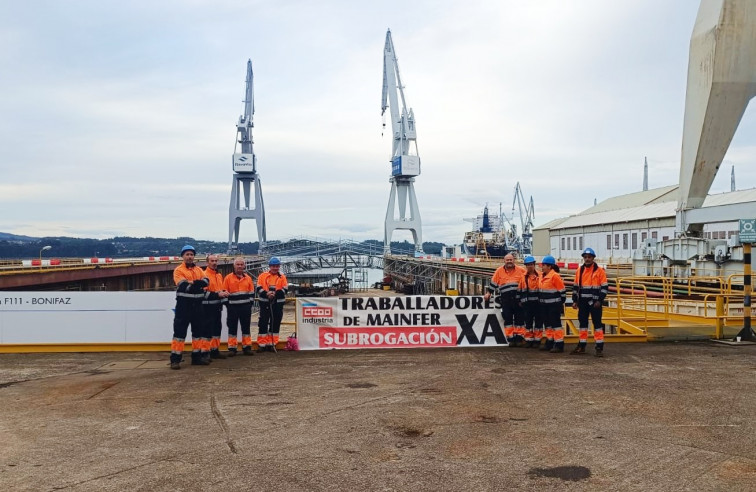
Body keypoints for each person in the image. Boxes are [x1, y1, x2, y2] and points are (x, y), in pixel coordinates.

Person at [170, 244, 210, 369]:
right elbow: (183, 286)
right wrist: (198, 284)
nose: (189, 257)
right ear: (182, 256)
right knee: (179, 334)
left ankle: (196, 358)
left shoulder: (198, 270)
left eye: (191, 254)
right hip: (184, 307)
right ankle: (175, 360)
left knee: (197, 333)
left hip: (198, 307)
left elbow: (206, 282)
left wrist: (193, 283)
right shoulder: (178, 270)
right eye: (187, 254)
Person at [571, 247, 609, 357]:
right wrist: (575, 300)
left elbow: (604, 287)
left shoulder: (600, 271)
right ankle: (582, 345)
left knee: (597, 325)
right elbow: (576, 287)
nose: (587, 259)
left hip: (595, 303)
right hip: (582, 302)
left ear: (593, 258)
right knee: (582, 324)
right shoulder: (580, 270)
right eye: (585, 257)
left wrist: (599, 300)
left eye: (589, 257)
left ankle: (599, 347)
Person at [484, 253, 526, 346]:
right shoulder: (499, 271)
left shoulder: (521, 270)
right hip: (506, 299)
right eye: (507, 260)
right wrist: (488, 293)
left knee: (520, 319)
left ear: (514, 260)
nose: (509, 261)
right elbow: (493, 283)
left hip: (518, 299)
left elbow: (528, 281)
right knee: (508, 319)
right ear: (504, 261)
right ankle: (510, 339)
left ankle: (519, 338)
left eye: (511, 259)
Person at [223, 257, 255, 356]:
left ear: (244, 266)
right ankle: (232, 348)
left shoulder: (248, 278)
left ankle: (247, 347)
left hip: (245, 307)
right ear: (234, 266)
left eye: (241, 264)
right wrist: (228, 305)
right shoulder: (228, 278)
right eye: (238, 264)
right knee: (232, 328)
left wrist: (249, 304)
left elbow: (252, 293)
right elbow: (224, 292)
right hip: (233, 308)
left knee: (246, 328)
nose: (240, 266)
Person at [256, 257, 288, 352]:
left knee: (275, 324)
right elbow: (259, 288)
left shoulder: (283, 277)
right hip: (265, 304)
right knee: (263, 323)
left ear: (279, 267)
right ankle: (262, 344)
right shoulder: (262, 276)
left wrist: (275, 294)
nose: (275, 268)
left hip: (277, 304)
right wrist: (267, 294)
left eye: (277, 266)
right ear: (270, 266)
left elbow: (285, 289)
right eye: (273, 266)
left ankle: (272, 343)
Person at [203, 254, 229, 360]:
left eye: (216, 261)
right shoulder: (204, 275)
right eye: (212, 261)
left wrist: (224, 292)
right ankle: (205, 352)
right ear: (207, 263)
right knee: (207, 331)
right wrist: (218, 294)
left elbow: (219, 289)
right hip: (207, 308)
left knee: (217, 329)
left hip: (217, 307)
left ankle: (215, 350)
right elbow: (203, 293)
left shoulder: (218, 275)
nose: (214, 263)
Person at [539, 255, 566, 353]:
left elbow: (562, 291)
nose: (542, 267)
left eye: (544, 265)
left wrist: (559, 303)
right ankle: (550, 341)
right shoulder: (542, 276)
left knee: (556, 325)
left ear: (549, 266)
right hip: (544, 306)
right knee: (548, 325)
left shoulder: (555, 276)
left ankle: (559, 344)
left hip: (553, 306)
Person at [517, 255, 543, 348]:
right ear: (525, 266)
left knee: (538, 323)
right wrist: (519, 300)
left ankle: (537, 340)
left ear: (534, 265)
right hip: (527, 304)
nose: (529, 266)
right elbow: (519, 290)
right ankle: (529, 340)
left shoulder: (540, 275)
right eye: (528, 265)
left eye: (531, 264)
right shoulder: (523, 277)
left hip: (538, 303)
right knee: (528, 322)